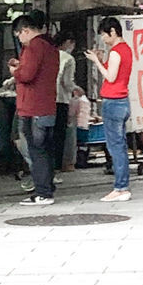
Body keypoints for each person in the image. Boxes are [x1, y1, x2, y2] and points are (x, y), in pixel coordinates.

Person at [11, 12, 60, 206]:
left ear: (25, 30)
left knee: (36, 151)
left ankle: (43, 193)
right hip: (48, 106)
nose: (19, 39)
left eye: (19, 35)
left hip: (33, 107)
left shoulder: (33, 47)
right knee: (46, 150)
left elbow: (27, 75)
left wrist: (16, 71)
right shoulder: (51, 47)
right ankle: (47, 188)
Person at [84, 17, 134, 202]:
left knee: (116, 147)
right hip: (123, 101)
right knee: (120, 145)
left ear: (113, 32)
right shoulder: (126, 49)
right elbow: (118, 74)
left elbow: (110, 77)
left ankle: (121, 187)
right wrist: (102, 59)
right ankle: (123, 186)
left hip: (113, 102)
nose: (103, 39)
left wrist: (96, 61)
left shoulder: (115, 52)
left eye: (105, 35)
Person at [54, 31, 77, 179]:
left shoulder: (49, 54)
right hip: (61, 99)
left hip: (47, 99)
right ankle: (55, 169)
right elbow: (67, 83)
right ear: (68, 42)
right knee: (59, 136)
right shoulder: (68, 58)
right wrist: (76, 89)